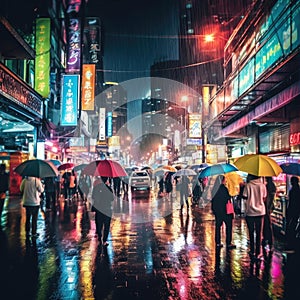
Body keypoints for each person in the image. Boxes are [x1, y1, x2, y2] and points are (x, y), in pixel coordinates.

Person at [243, 174, 267, 261]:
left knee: (251, 231)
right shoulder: (262, 186)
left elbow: (245, 197)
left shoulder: (248, 186)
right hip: (260, 212)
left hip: (250, 212)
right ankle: (258, 252)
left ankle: (252, 250)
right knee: (259, 232)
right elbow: (264, 198)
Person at [211, 175, 236, 250]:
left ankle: (218, 242)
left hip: (217, 211)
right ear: (222, 181)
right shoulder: (224, 189)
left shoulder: (214, 189)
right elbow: (227, 199)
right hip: (225, 211)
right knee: (228, 226)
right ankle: (228, 242)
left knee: (218, 226)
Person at [92, 176, 114, 246]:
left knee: (99, 224)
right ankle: (104, 240)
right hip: (107, 209)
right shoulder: (109, 188)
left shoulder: (96, 188)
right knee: (106, 225)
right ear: (107, 180)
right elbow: (112, 199)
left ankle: (99, 238)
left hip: (99, 209)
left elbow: (93, 197)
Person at [284, 176, 300, 253]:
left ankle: (290, 242)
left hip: (292, 210)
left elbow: (290, 203)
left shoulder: (292, 191)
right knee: (294, 225)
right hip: (297, 211)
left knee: (290, 226)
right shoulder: (298, 190)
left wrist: (287, 210)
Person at [262, 177, 276, 251]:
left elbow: (266, 198)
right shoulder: (272, 186)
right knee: (268, 223)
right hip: (269, 207)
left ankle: (267, 238)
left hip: (266, 208)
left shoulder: (267, 186)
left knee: (266, 223)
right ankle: (269, 239)